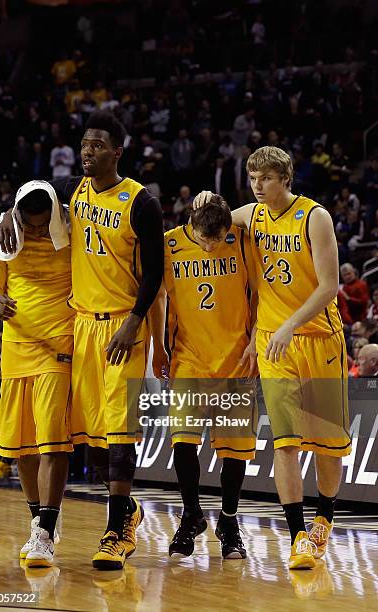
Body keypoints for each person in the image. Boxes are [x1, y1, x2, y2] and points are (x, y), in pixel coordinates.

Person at [0, 111, 164, 571]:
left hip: (122, 329)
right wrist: (12, 211)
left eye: (97, 145)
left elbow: (156, 272)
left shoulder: (141, 203)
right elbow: (35, 191)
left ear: (118, 152)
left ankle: (114, 533)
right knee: (91, 433)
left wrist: (135, 320)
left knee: (119, 432)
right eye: (85, 144)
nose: (88, 151)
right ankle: (127, 512)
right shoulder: (74, 190)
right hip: (81, 325)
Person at [194, 146, 351, 570]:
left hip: (318, 338)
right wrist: (204, 203)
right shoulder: (252, 215)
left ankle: (324, 519)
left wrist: (290, 325)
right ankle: (298, 535)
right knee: (285, 443)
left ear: (285, 179)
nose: (258, 186)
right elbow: (215, 215)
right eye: (252, 178)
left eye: (265, 178)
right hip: (271, 343)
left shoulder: (314, 217)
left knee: (327, 445)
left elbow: (329, 286)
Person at [150, 195, 257, 560]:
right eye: (204, 238)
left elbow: (261, 294)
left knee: (235, 453)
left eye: (217, 238)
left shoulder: (241, 239)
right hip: (188, 358)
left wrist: (257, 340)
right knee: (182, 442)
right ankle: (191, 515)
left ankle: (228, 521)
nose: (210, 246)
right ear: (190, 224)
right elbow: (157, 297)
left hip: (236, 358)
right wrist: (158, 346)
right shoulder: (169, 244)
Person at [0, 184, 74, 568]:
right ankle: (39, 518)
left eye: (41, 227)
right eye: (29, 226)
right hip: (18, 349)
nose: (35, 233)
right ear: (17, 216)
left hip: (60, 348)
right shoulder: (4, 233)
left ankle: (45, 532)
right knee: (22, 446)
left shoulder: (73, 229)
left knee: (52, 438)